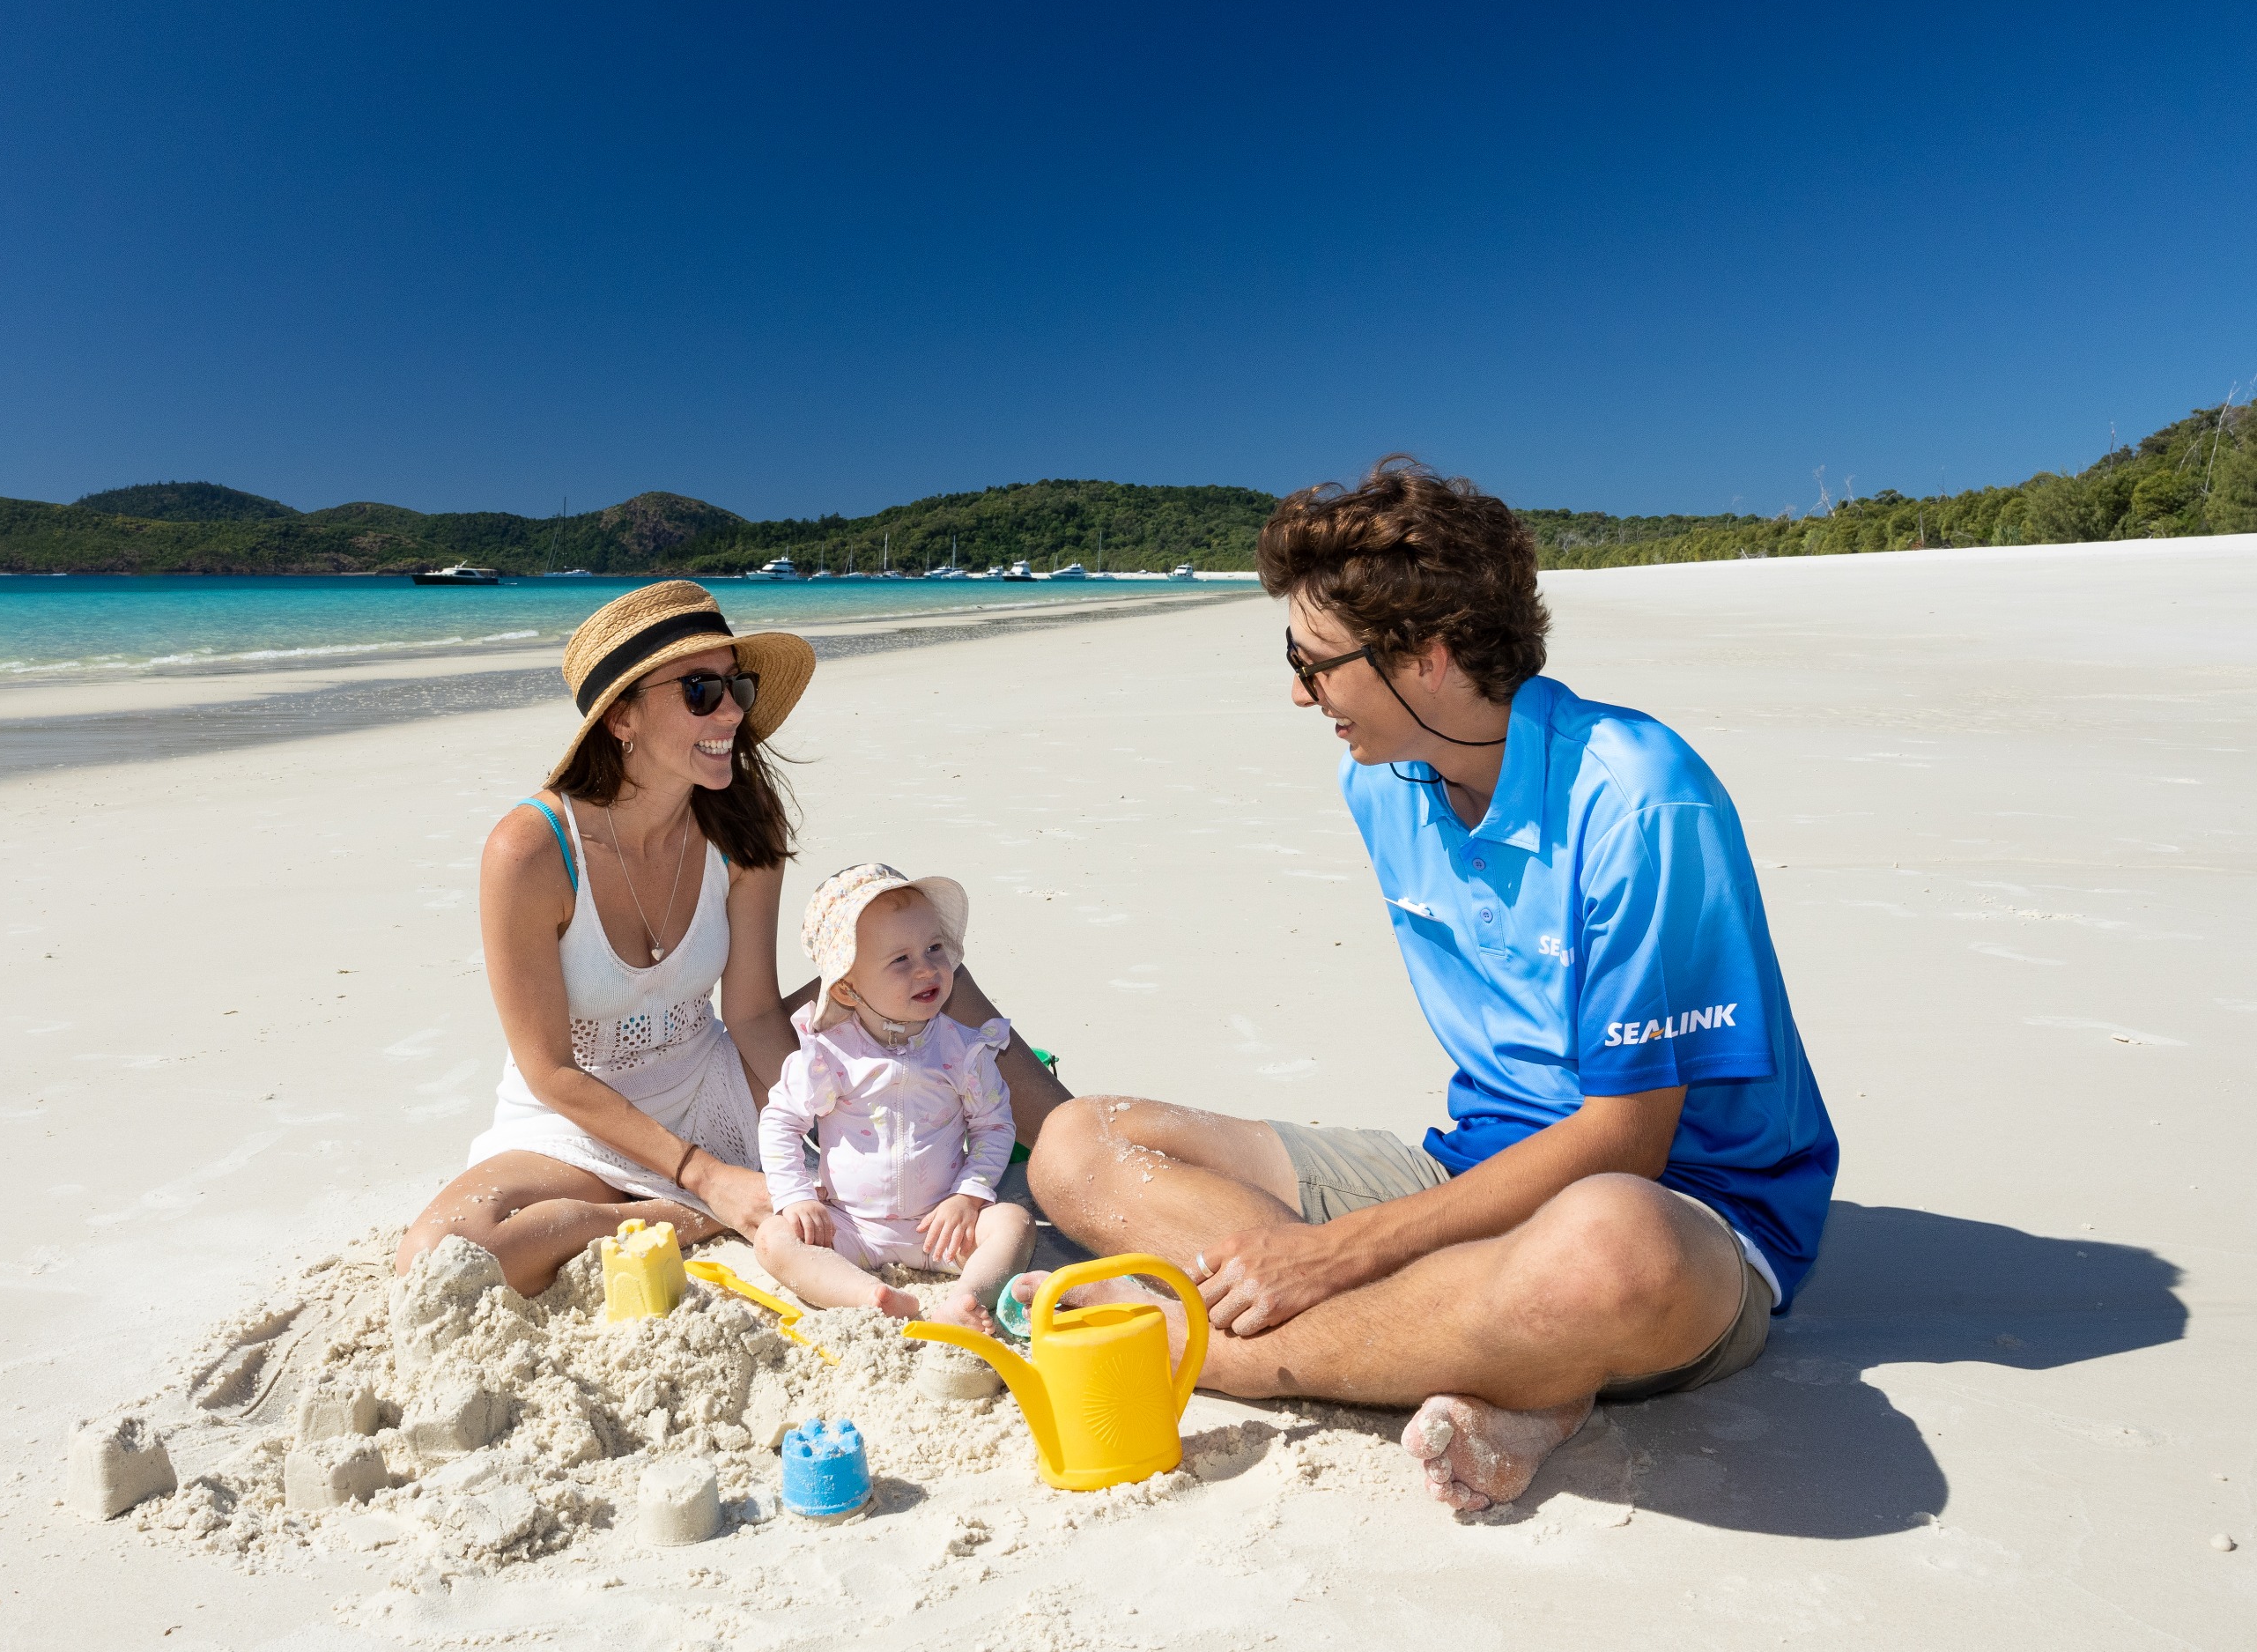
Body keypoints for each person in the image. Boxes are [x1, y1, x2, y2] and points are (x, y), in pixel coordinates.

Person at [1022, 458, 1839, 1514]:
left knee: (1604, 1246)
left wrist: (1328, 1256)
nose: (1298, 690)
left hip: (1683, 1212)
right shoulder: (1383, 782)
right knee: (1083, 1143)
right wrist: (1338, 1254)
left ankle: (1223, 1350)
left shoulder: (1641, 800)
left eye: (1314, 662)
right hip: (1468, 1175)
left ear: (1427, 657)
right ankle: (1510, 1365)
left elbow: (1627, 1139)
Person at [399, 582, 1064, 1294]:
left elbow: (747, 1014)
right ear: (621, 716)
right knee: (440, 1255)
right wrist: (707, 1181)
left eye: (736, 686)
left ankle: (1076, 1153)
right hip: (581, 1120)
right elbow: (551, 1072)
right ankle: (689, 1213)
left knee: (926, 977)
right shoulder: (529, 852)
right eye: (699, 690)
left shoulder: (742, 824)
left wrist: (839, 1118)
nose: (733, 712)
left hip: (716, 1081)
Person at [754, 863, 1033, 1330]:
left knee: (1014, 1224)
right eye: (900, 960)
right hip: (851, 1225)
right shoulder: (829, 1055)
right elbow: (781, 1120)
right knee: (773, 1237)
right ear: (847, 987)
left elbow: (993, 1124)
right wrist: (795, 1196)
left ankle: (962, 1301)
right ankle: (871, 1296)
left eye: (934, 947)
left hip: (942, 1226)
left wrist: (969, 1194)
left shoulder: (963, 1050)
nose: (927, 968)